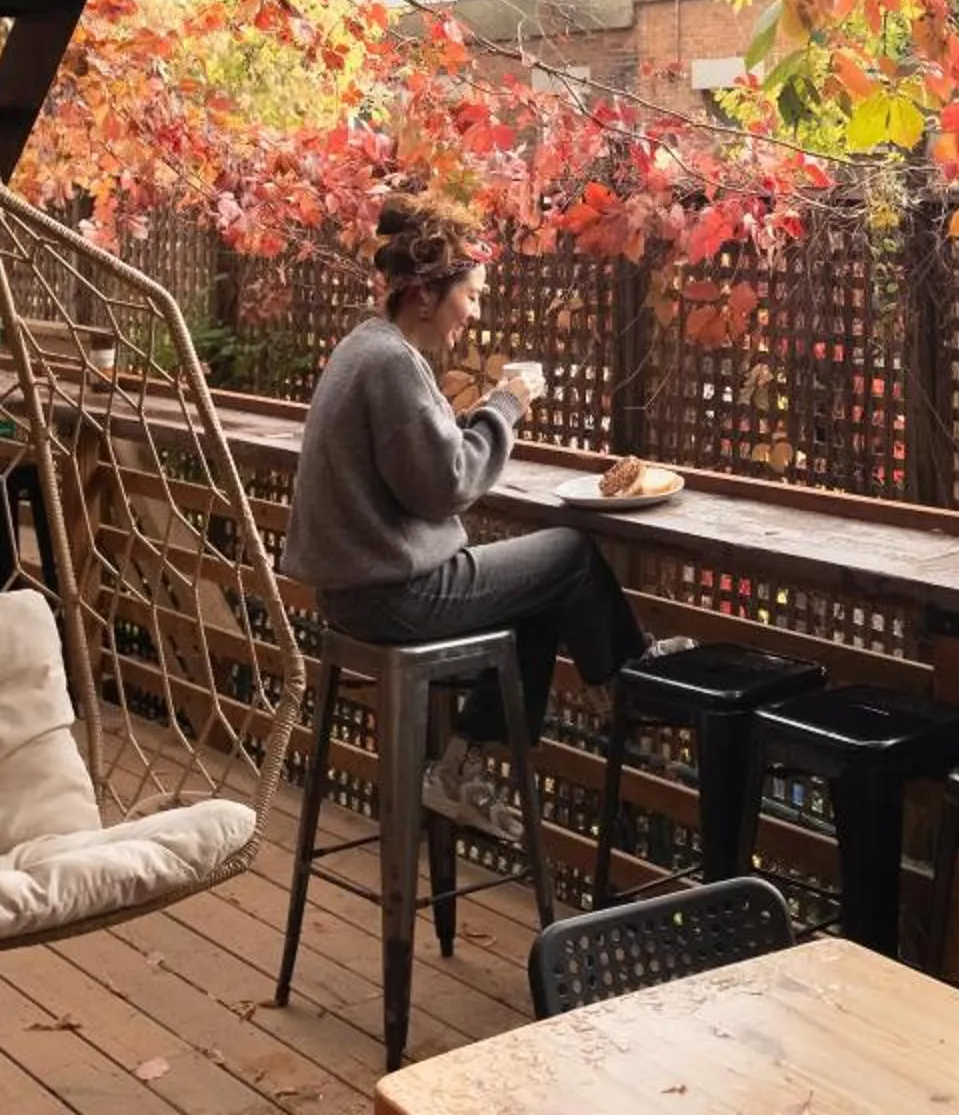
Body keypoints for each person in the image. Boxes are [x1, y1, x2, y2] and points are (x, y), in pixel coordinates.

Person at [282, 195, 681, 838]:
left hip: (354, 595)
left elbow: (415, 462)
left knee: (535, 598)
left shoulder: (366, 348)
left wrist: (468, 426)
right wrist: (505, 407)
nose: (475, 312)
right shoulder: (391, 363)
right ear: (424, 296)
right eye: (470, 295)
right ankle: (630, 680)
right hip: (393, 597)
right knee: (570, 555)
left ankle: (461, 766)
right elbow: (448, 484)